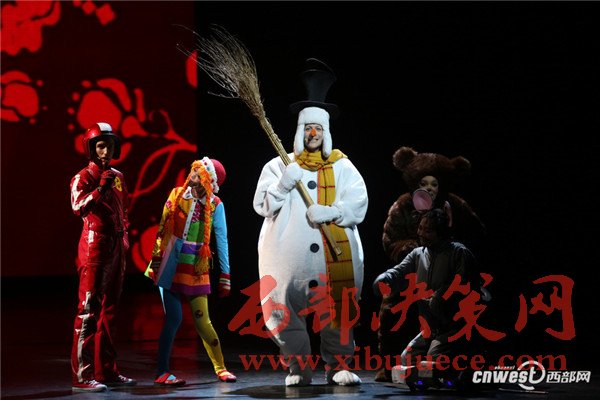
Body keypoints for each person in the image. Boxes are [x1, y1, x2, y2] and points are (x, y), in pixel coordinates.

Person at [253, 58, 368, 386]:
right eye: (307, 128)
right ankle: (298, 367)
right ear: (299, 131)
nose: (313, 134)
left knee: (339, 309)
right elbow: (262, 205)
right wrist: (283, 184)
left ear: (326, 132)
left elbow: (358, 202)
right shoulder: (279, 165)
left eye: (318, 128)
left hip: (335, 260)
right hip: (284, 263)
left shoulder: (342, 166)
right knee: (281, 310)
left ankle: (338, 364)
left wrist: (332, 212)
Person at [375, 146, 486, 382]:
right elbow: (392, 246)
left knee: (441, 345)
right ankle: (390, 365)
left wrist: (453, 253)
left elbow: (477, 234)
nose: (428, 188)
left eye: (434, 184)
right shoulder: (404, 207)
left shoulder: (455, 209)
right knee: (391, 310)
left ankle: (459, 369)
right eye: (423, 183)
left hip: (449, 286)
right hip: (417, 273)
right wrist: (390, 271)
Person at [145, 157, 236, 386]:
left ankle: (221, 368)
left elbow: (222, 240)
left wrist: (225, 275)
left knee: (203, 321)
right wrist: (155, 260)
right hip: (169, 263)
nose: (194, 173)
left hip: (195, 266)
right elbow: (162, 229)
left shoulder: (215, 205)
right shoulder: (177, 194)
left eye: (200, 172)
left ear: (209, 181)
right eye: (194, 169)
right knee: (174, 318)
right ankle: (162, 372)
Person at [373, 209, 480, 379]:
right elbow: (399, 272)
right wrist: (385, 279)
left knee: (433, 358)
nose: (421, 233)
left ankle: (464, 370)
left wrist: (441, 297)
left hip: (455, 327)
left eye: (428, 230)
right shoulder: (418, 254)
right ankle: (431, 376)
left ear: (441, 233)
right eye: (420, 228)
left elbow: (466, 286)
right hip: (430, 328)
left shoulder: (458, 253)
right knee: (407, 359)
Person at [70, 122, 136, 392]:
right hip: (94, 246)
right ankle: (82, 375)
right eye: (100, 146)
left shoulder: (118, 176)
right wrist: (99, 189)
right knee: (88, 311)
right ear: (91, 148)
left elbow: (124, 209)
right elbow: (78, 207)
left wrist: (125, 237)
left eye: (109, 146)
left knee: (110, 311)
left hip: (116, 246)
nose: (105, 151)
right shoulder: (83, 177)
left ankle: (107, 370)